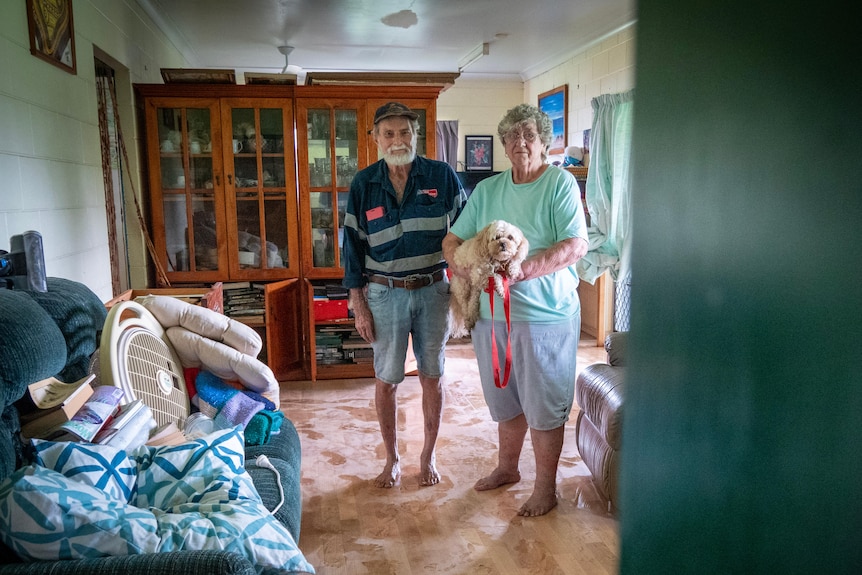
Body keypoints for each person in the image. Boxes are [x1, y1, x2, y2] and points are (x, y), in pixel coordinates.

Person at [442, 103, 589, 516]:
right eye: (512, 137)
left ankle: (546, 489)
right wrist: (461, 263)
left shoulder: (559, 184)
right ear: (504, 145)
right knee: (505, 400)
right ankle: (507, 469)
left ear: (544, 142)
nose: (520, 143)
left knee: (543, 405)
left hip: (545, 315)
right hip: (490, 317)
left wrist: (524, 271)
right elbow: (453, 240)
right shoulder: (488, 190)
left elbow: (576, 245)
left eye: (529, 135)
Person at [342, 102, 467, 488]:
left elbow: (466, 230)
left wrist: (468, 284)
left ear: (416, 135)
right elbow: (351, 248)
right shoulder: (364, 183)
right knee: (387, 381)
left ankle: (427, 456)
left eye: (405, 132)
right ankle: (392, 459)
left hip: (433, 291)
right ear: (376, 138)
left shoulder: (441, 175)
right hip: (384, 294)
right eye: (390, 133)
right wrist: (358, 305)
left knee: (433, 376)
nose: (398, 140)